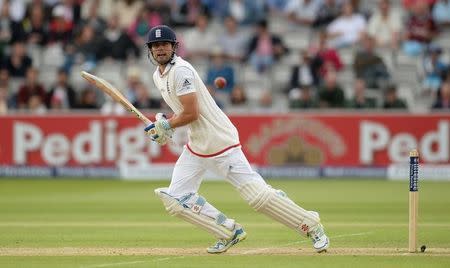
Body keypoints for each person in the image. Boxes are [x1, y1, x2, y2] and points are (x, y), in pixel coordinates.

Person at [143, 25, 329, 254]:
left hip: (220, 142)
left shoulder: (181, 70)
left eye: (164, 45)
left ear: (173, 47)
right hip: (197, 145)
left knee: (258, 198)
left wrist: (167, 125)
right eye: (156, 46)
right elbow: (182, 110)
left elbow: (192, 113)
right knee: (175, 198)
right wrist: (165, 125)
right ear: (150, 50)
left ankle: (312, 226)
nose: (160, 49)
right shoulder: (157, 76)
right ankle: (228, 231)